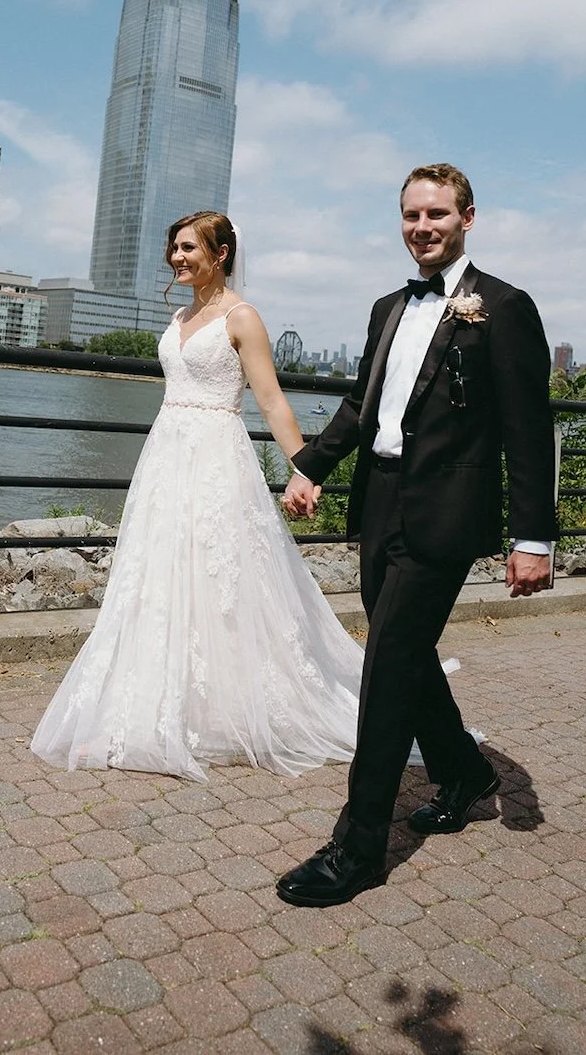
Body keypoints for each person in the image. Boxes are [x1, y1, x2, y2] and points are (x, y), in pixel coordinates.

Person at [276, 163, 558, 908]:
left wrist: (533, 538)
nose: (421, 227)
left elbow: (530, 434)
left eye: (436, 214)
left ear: (468, 217)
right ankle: (464, 771)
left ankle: (359, 847)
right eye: (410, 216)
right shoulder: (386, 308)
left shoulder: (504, 307)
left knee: (387, 667)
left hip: (446, 514)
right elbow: (360, 406)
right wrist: (311, 468)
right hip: (381, 500)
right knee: (403, 654)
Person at [30, 210, 368, 781]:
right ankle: (152, 706)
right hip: (166, 454)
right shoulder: (181, 313)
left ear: (222, 253)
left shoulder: (243, 317)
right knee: (158, 572)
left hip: (217, 456)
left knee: (222, 576)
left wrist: (304, 469)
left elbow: (272, 400)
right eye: (175, 248)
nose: (178, 258)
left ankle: (227, 707)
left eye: (189, 248)